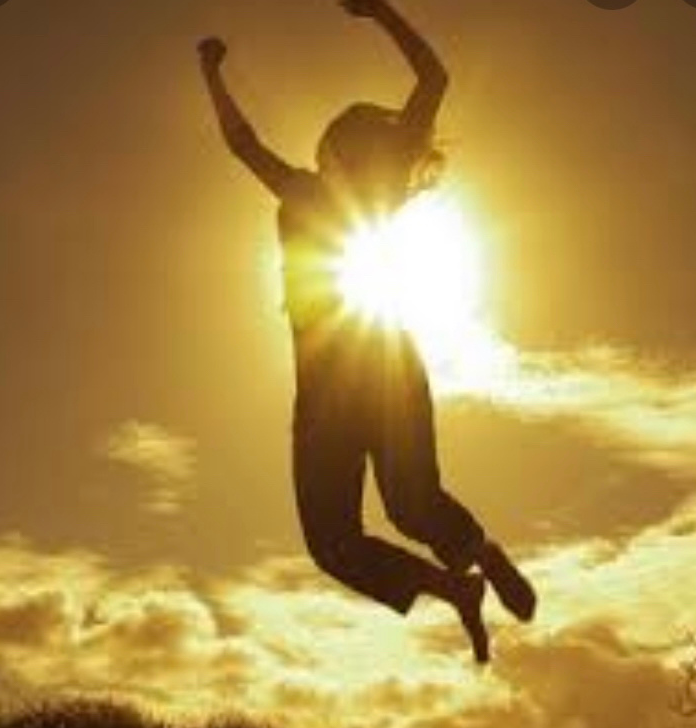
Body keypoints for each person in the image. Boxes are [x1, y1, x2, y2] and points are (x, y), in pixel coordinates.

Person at [199, 0, 536, 663]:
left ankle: (455, 584)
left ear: (334, 152)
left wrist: (209, 71)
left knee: (334, 542)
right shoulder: (381, 192)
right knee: (412, 504)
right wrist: (380, 13)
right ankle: (473, 569)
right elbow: (435, 79)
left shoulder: (304, 191)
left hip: (329, 389)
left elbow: (242, 144)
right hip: (385, 360)